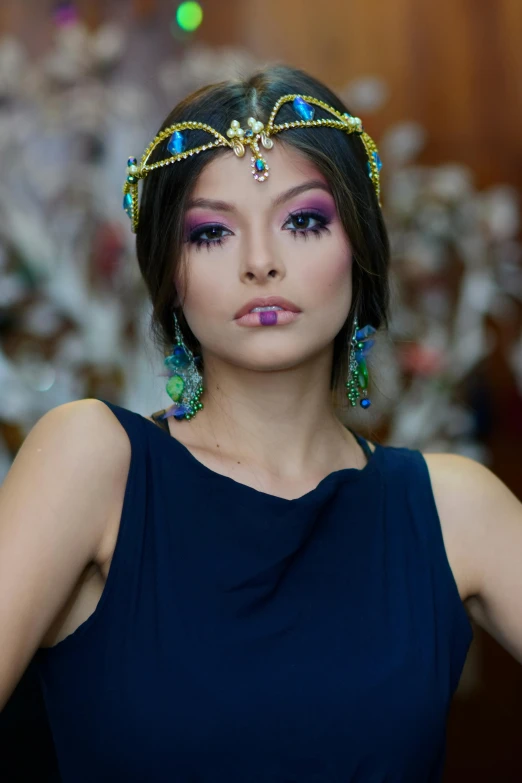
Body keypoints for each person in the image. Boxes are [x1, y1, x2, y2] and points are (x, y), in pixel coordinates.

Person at [1, 63, 521, 783]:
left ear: (359, 249)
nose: (259, 263)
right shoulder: (93, 462)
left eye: (303, 220)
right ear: (170, 275)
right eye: (211, 233)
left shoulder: (452, 508)